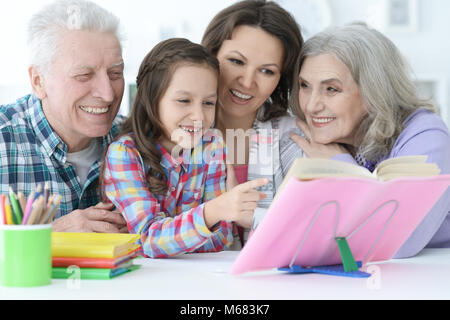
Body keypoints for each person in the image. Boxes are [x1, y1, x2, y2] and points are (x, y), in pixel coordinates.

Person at [289, 22, 450, 258]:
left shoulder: (426, 134)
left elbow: (398, 241)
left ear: (374, 91)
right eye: (305, 86)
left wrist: (340, 165)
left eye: (331, 89)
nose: (312, 105)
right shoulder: (319, 137)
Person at [101, 38, 268, 258]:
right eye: (184, 100)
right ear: (152, 99)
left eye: (208, 103)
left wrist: (167, 236)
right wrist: (213, 211)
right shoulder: (125, 154)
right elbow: (148, 241)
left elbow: (221, 238)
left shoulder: (212, 145)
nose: (199, 116)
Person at [0, 0, 127, 232]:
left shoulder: (137, 140)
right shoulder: (4, 140)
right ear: (38, 81)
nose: (108, 94)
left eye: (115, 73)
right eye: (84, 75)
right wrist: (52, 235)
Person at [201, 0, 305, 247]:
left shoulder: (294, 140)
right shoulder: (175, 131)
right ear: (211, 55)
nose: (247, 82)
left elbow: (311, 230)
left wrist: (253, 217)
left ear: (281, 79)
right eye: (236, 61)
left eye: (267, 71)